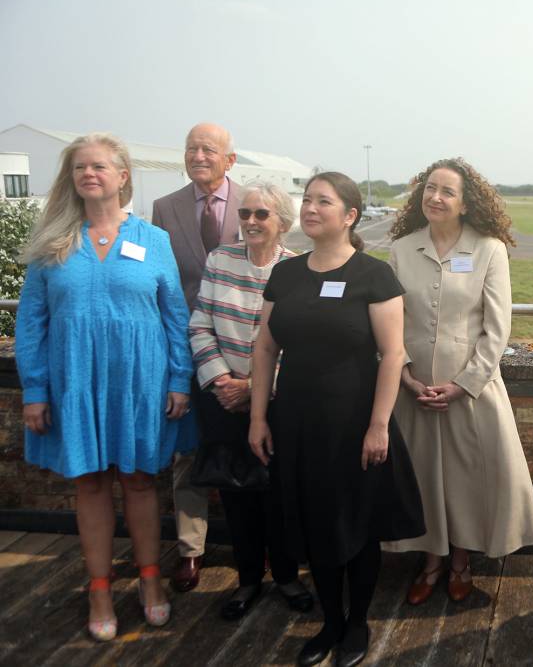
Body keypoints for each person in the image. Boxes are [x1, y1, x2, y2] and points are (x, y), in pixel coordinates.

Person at [15, 133, 192, 641]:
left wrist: (180, 379)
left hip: (140, 383)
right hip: (75, 383)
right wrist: (34, 389)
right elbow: (31, 323)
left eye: (99, 166)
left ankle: (151, 581)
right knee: (89, 482)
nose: (89, 174)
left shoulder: (153, 240)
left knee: (139, 481)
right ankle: (98, 587)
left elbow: (175, 317)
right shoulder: (53, 240)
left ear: (122, 176)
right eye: (79, 168)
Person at [248, 172, 425, 667]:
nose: (309, 208)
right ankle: (329, 621)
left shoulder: (374, 275)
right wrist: (259, 417)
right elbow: (265, 347)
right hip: (297, 422)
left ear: (349, 216)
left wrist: (378, 426)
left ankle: (357, 623)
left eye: (322, 201)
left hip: (353, 423)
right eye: (306, 200)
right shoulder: (285, 274)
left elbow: (392, 355)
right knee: (314, 520)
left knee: (356, 524)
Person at [383, 157, 533, 605]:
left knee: (467, 482)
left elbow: (498, 328)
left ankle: (460, 562)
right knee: (422, 480)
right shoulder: (401, 250)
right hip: (412, 391)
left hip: (471, 393)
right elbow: (389, 322)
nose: (435, 197)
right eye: (429, 188)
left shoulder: (489, 249)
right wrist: (405, 376)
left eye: (447, 191)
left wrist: (465, 383)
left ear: (466, 202)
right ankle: (430, 563)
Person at [187, 181, 314, 621]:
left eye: (261, 214)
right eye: (245, 214)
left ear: (282, 221)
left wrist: (256, 387)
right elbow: (200, 324)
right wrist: (221, 379)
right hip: (224, 399)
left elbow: (303, 346)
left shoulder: (299, 270)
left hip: (277, 402)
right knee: (236, 493)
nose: (251, 222)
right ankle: (246, 581)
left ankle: (286, 576)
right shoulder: (219, 260)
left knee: (280, 494)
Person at [152, 122, 242, 592]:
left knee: (250, 445)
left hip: (247, 352)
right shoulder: (164, 209)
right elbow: (165, 288)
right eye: (191, 148)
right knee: (188, 451)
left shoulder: (255, 202)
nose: (198, 155)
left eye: (209, 148)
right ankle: (191, 550)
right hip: (187, 350)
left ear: (230, 160)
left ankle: (256, 541)